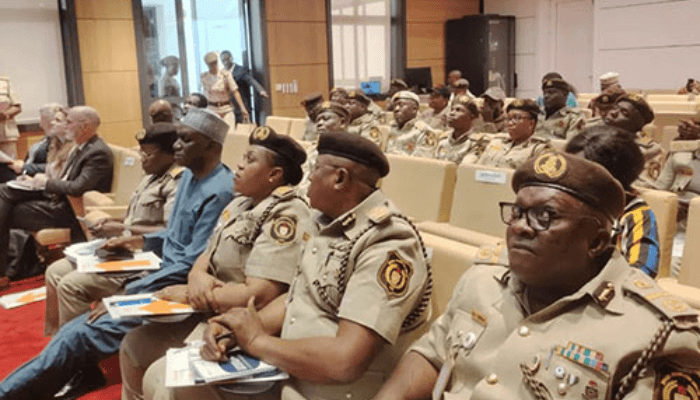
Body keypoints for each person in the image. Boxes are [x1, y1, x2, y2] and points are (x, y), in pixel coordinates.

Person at [373, 151, 700, 400]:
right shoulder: (483, 278)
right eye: (517, 212)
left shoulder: (657, 334)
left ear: (597, 242)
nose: (520, 227)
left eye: (545, 216)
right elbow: (432, 355)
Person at [145, 132, 432, 400]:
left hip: (329, 390)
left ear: (339, 178)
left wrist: (256, 340)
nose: (307, 179)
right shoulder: (327, 223)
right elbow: (296, 297)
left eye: (315, 169)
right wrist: (234, 331)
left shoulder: (388, 243)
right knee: (166, 376)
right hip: (289, 367)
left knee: (174, 388)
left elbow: (345, 361)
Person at [0, 108, 235, 400]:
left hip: (176, 287)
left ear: (211, 146)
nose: (176, 146)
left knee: (77, 335)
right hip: (158, 273)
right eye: (177, 138)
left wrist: (127, 294)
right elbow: (174, 236)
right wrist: (136, 240)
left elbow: (192, 261)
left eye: (186, 140)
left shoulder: (220, 190)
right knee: (73, 331)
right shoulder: (190, 176)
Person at [122, 126, 310, 400]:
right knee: (134, 344)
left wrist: (191, 294)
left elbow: (258, 296)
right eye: (242, 157)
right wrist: (197, 277)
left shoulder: (286, 215)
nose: (239, 165)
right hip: (209, 313)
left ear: (274, 175)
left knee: (164, 381)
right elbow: (205, 256)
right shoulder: (239, 204)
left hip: (243, 326)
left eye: (250, 160)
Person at [43, 122, 182, 336]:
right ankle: (56, 341)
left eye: (148, 154)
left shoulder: (176, 183)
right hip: (122, 248)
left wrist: (122, 228)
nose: (142, 159)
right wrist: (111, 222)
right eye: (141, 153)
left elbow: (168, 231)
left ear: (170, 154)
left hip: (145, 258)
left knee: (71, 285)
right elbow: (134, 216)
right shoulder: (150, 177)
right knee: (54, 271)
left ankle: (79, 347)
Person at [0, 106, 112, 285]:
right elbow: (64, 178)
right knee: (4, 201)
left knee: (5, 204)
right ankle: (7, 270)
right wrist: (40, 180)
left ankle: (7, 271)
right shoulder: (81, 147)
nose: (66, 126)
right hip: (58, 201)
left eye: (69, 122)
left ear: (85, 126)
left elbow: (78, 187)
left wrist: (46, 183)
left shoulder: (96, 152)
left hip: (70, 211)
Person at [566, 126, 660, 277]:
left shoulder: (636, 213)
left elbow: (643, 270)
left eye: (578, 171)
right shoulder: (562, 201)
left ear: (611, 176)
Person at [602, 93, 663, 184]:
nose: (613, 113)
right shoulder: (590, 135)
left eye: (624, 113)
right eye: (615, 108)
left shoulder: (649, 149)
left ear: (636, 126)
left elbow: (644, 184)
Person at [476, 98, 552, 169]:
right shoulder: (496, 142)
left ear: (531, 123)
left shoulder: (538, 149)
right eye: (508, 118)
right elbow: (477, 168)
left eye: (517, 118)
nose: (510, 122)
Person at [430, 95, 488, 164]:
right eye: (452, 110)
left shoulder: (477, 143)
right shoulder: (442, 139)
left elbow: (465, 167)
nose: (452, 113)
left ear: (472, 115)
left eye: (458, 110)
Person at [10, 103, 64, 176]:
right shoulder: (44, 139)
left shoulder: (59, 142)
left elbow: (55, 167)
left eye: (58, 120)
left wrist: (24, 167)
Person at [201, 51, 250, 127]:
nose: (214, 66)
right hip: (212, 109)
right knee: (215, 132)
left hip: (227, 108)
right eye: (211, 64)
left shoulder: (225, 74)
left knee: (230, 131)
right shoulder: (204, 77)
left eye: (215, 63)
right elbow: (205, 94)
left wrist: (243, 108)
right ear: (207, 64)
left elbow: (235, 91)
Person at [220, 50, 269, 124]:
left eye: (227, 59)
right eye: (223, 60)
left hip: (242, 106)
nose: (225, 62)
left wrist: (260, 90)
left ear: (231, 58)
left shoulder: (241, 70)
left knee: (244, 128)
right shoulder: (222, 73)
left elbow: (251, 80)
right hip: (229, 107)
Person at [386, 91, 440, 156]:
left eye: (401, 105)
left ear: (414, 109)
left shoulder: (424, 132)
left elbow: (421, 160)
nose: (396, 109)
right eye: (394, 106)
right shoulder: (389, 129)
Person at [0, 77, 22, 183]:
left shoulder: (5, 83)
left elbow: (17, 107)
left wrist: (6, 114)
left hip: (6, 134)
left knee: (10, 169)